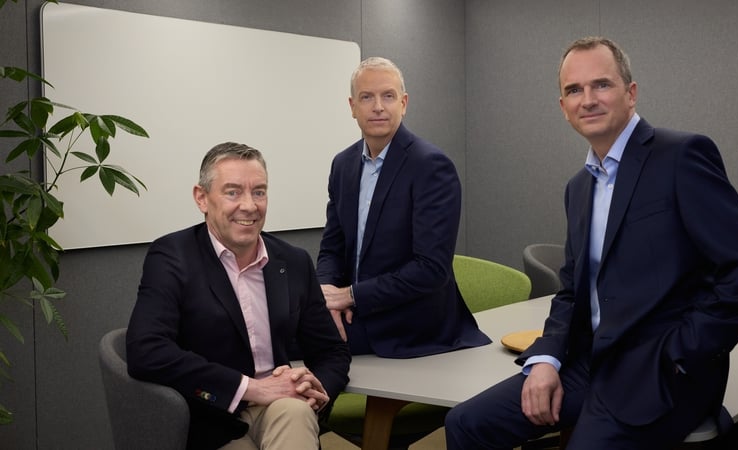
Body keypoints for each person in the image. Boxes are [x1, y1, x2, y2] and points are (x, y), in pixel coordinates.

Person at [445, 37, 738, 449]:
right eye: (573, 90)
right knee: (465, 423)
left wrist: (678, 355)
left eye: (601, 85)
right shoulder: (579, 187)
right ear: (563, 107)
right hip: (588, 363)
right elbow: (570, 292)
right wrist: (546, 359)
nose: (587, 99)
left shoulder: (681, 157)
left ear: (630, 93)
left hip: (657, 374)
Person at [126, 142, 351, 450]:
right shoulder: (172, 257)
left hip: (281, 409)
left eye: (259, 191)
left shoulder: (293, 261)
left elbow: (331, 352)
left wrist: (313, 389)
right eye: (233, 192)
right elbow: (146, 351)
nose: (249, 205)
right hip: (211, 414)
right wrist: (254, 388)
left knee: (296, 411)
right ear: (202, 198)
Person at [316, 56, 490, 358]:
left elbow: (430, 269)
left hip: (411, 322)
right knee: (276, 333)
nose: (378, 106)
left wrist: (351, 296)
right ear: (352, 106)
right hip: (353, 311)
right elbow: (333, 246)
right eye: (366, 97)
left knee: (292, 345)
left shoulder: (431, 166)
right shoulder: (342, 165)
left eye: (388, 96)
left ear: (404, 103)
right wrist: (326, 295)